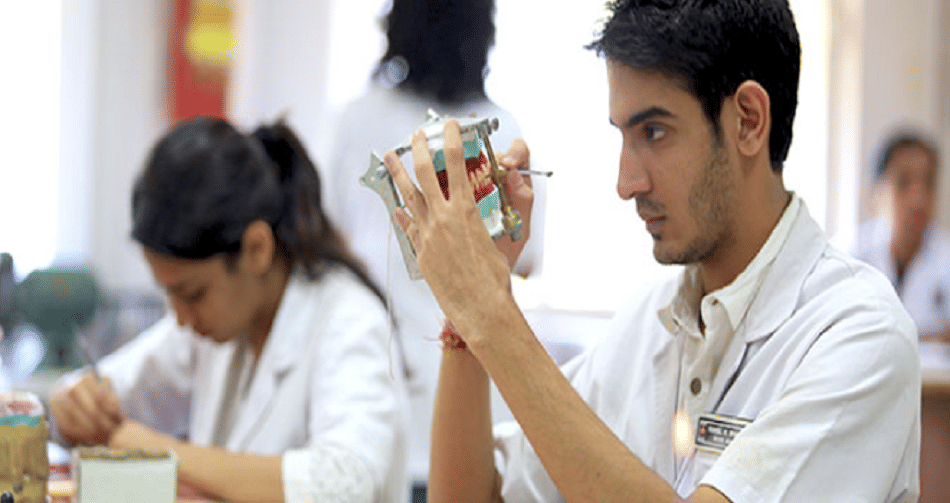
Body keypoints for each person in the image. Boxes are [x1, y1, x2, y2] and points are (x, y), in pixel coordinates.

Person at [381, 0, 920, 502]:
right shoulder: (648, 324)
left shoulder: (858, 333)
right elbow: (474, 495)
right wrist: (465, 315)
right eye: (622, 135)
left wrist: (492, 311)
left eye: (655, 132)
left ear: (749, 121)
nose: (626, 182)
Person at [49, 116, 407, 503]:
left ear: (256, 248)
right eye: (169, 294)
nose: (181, 319)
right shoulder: (219, 321)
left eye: (192, 294)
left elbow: (345, 482)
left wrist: (163, 455)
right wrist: (71, 402)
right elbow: (110, 390)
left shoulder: (350, 321)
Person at [323, 0, 543, 486]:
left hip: (410, 383)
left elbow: (331, 241)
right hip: (421, 386)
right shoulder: (502, 131)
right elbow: (523, 258)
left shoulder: (359, 120)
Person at [853, 130, 950, 503]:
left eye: (928, 184)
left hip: (937, 419)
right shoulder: (849, 257)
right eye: (904, 182)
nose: (918, 198)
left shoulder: (944, 257)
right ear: (874, 193)